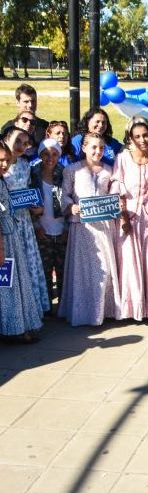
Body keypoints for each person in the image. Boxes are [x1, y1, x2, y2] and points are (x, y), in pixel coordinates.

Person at [59, 133, 121, 326]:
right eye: (93, 147)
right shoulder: (72, 170)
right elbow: (64, 194)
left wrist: (116, 204)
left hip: (103, 226)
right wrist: (71, 206)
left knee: (105, 268)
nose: (97, 151)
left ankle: (103, 310)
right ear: (84, 148)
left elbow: (115, 196)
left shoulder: (109, 171)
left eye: (101, 148)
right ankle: (82, 312)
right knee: (83, 270)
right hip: (82, 226)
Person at [112, 119, 148, 321]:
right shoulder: (123, 158)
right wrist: (123, 218)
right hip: (127, 214)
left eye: (145, 135)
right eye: (137, 136)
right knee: (129, 261)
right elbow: (118, 190)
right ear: (130, 138)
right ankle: (131, 309)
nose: (142, 140)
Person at [2, 129, 50, 316]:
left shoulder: (25, 165)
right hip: (7, 225)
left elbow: (29, 193)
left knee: (28, 266)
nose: (22, 146)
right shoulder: (2, 167)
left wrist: (35, 207)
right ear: (6, 140)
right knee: (11, 269)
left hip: (25, 224)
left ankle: (31, 312)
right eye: (17, 141)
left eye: (25, 143)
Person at [0, 142, 44, 343]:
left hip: (12, 235)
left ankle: (16, 327)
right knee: (7, 285)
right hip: (4, 239)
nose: (4, 164)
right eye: (0, 160)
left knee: (13, 284)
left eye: (6, 160)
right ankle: (12, 329)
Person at [30, 139, 67, 316]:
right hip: (41, 229)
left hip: (61, 229)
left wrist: (66, 229)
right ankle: (45, 308)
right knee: (44, 271)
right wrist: (37, 227)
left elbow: (70, 201)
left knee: (62, 271)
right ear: (39, 154)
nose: (49, 158)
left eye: (54, 154)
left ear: (59, 155)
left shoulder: (65, 173)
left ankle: (62, 307)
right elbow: (27, 202)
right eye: (45, 153)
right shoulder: (33, 173)